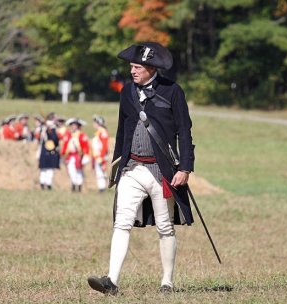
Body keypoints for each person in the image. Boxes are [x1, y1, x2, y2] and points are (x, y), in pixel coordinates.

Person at [87, 42, 195, 295]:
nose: (132, 71)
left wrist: (186, 168)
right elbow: (122, 130)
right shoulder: (127, 92)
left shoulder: (173, 91)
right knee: (121, 222)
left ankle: (167, 282)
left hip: (162, 171)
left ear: (151, 68)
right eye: (132, 67)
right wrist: (116, 167)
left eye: (137, 67)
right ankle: (111, 281)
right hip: (132, 168)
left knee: (165, 227)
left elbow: (184, 131)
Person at [61, 118, 90, 192]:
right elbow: (64, 145)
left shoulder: (81, 135)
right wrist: (63, 154)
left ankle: (79, 186)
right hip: (70, 156)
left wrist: (86, 155)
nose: (73, 127)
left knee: (79, 172)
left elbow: (85, 146)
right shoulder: (68, 135)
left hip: (78, 156)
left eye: (75, 125)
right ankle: (73, 185)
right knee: (71, 171)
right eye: (72, 125)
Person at [37, 118, 60, 190]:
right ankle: (42, 183)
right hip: (45, 152)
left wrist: (52, 130)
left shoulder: (52, 131)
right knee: (43, 170)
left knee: (50, 170)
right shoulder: (43, 131)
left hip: (51, 153)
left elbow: (55, 140)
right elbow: (39, 139)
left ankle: (48, 183)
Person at [91, 115, 109, 192]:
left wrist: (101, 157)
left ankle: (102, 188)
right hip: (97, 155)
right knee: (99, 172)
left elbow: (104, 146)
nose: (94, 124)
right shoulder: (98, 132)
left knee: (101, 172)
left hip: (101, 156)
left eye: (95, 122)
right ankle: (101, 187)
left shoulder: (103, 132)